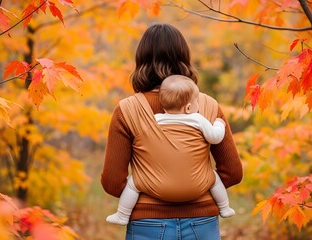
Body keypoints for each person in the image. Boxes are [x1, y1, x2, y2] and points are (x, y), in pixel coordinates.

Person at [101, 23, 243, 240]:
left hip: (147, 224)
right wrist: (193, 187)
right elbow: (233, 172)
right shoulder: (208, 106)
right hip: (202, 221)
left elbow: (112, 181)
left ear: (141, 59)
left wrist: (155, 190)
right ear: (184, 57)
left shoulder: (127, 109)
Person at [106, 75, 235, 225]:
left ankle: (122, 215)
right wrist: (219, 124)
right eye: (196, 102)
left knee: (134, 183)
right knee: (213, 179)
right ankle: (225, 208)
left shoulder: (154, 120)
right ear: (188, 107)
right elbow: (215, 137)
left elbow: (113, 181)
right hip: (200, 203)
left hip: (149, 203)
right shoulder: (198, 118)